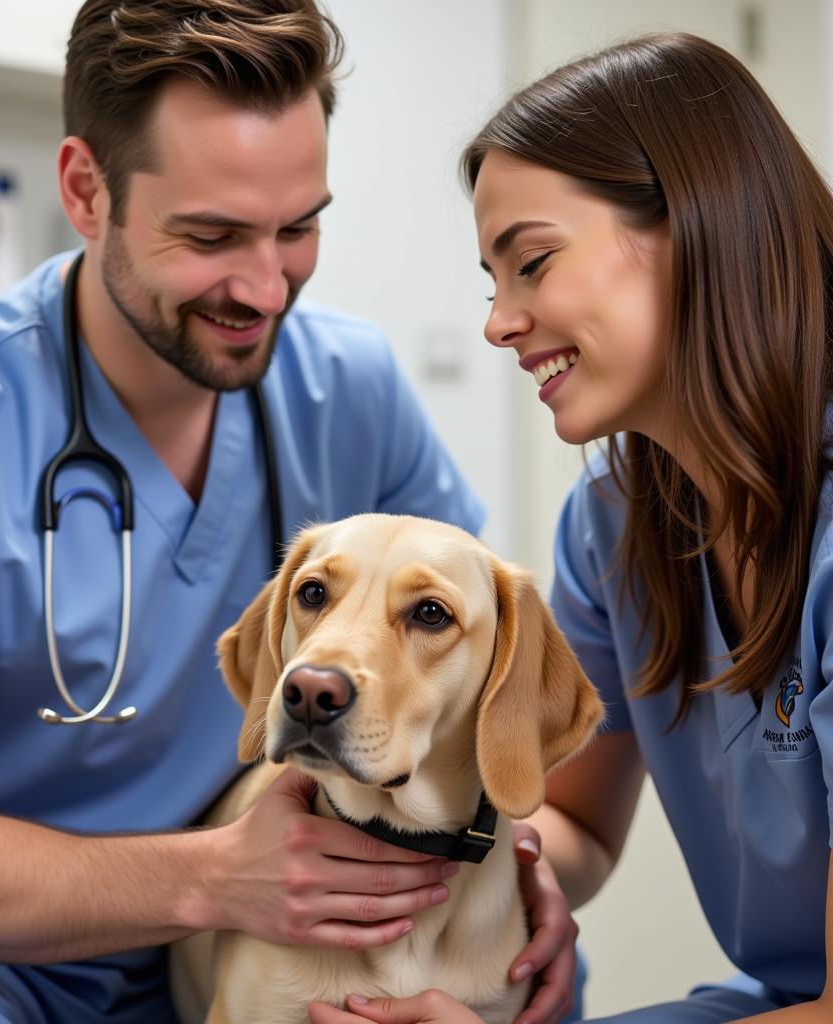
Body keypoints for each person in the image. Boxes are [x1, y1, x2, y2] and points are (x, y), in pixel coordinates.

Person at [0, 1, 519, 1021]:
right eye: (212, 235)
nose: (268, 288)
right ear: (84, 191)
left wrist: (510, 875)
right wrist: (217, 878)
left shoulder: (349, 388)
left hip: (258, 925)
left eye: (299, 227)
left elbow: (467, 689)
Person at [309, 28, 833, 1024]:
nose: (498, 322)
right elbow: (575, 821)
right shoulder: (613, 526)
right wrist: (452, 864)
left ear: (698, 226)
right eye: (489, 282)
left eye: (532, 263)